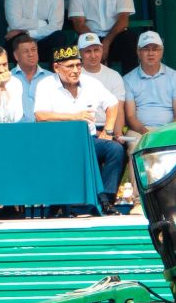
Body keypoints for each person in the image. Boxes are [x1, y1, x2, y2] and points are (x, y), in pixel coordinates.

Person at [34, 45, 127, 213]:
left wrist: (108, 129)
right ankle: (60, 203)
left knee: (115, 149)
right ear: (56, 67)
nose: (76, 70)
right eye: (70, 66)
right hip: (58, 142)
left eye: (78, 65)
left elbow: (112, 104)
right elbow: (40, 115)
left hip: (88, 140)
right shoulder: (45, 85)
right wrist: (74, 117)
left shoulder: (92, 83)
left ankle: (105, 199)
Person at [123, 31, 176, 147]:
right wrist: (147, 133)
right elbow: (130, 116)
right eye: (146, 49)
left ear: (161, 52)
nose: (151, 53)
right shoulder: (127, 79)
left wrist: (161, 134)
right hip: (139, 131)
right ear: (138, 52)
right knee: (135, 149)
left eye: (155, 49)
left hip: (170, 129)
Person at [8, 34, 53, 124]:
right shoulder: (8, 78)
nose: (31, 54)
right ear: (16, 55)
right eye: (25, 51)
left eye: (33, 50)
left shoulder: (52, 78)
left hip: (45, 129)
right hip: (16, 130)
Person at [77, 32, 128, 108]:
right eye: (88, 51)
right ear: (80, 53)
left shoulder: (114, 76)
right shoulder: (74, 76)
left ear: (101, 50)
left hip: (109, 120)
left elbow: (119, 111)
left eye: (96, 50)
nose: (93, 56)